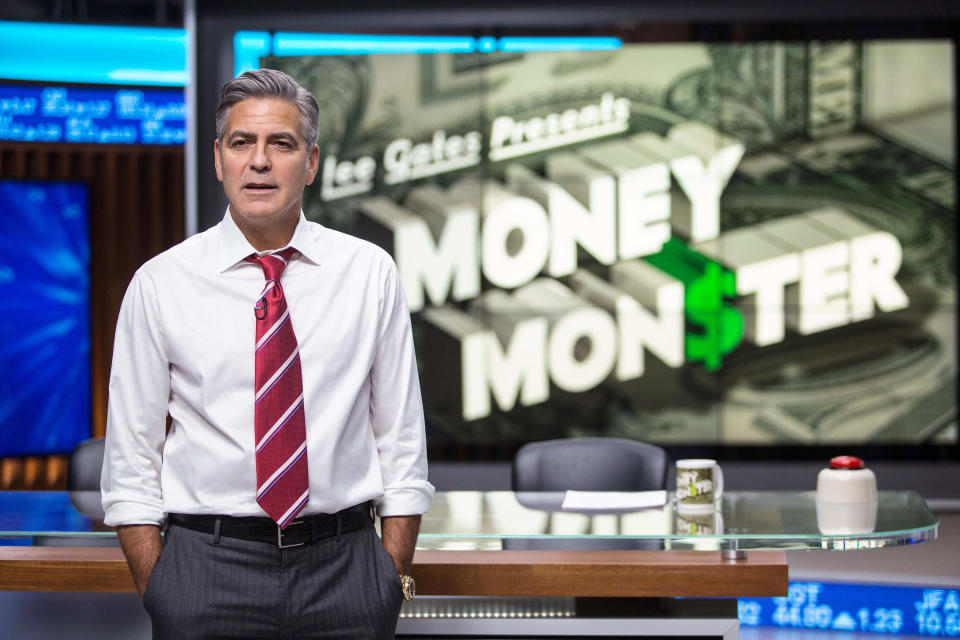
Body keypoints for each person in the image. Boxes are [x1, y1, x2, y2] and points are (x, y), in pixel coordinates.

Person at [101, 68, 434, 639]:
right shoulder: (160, 283)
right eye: (241, 142)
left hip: (346, 571)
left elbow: (400, 440)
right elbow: (131, 458)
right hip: (205, 572)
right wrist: (163, 589)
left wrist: (388, 575)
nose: (259, 161)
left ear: (311, 162)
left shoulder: (368, 272)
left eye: (281, 143)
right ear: (218, 159)